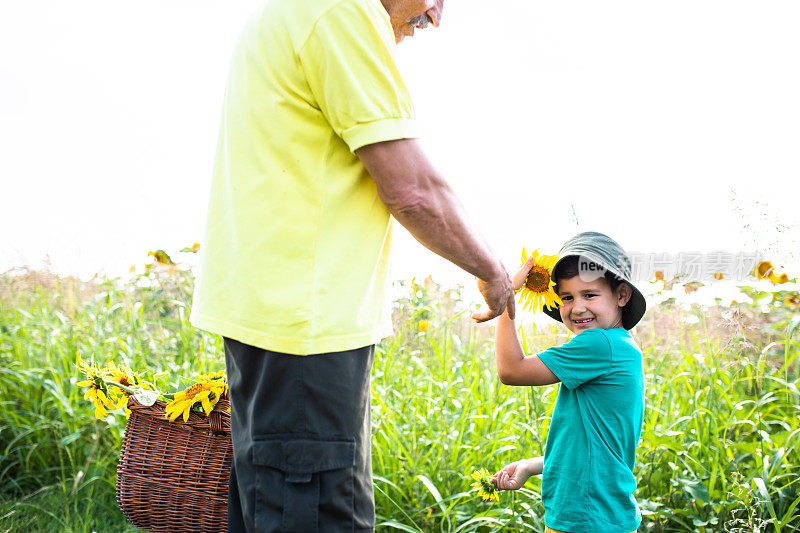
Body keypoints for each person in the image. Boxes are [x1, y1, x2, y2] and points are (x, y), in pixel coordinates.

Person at [189, 0, 515, 530]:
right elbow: (414, 191)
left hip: (278, 318)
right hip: (306, 331)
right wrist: (493, 274)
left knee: (273, 509)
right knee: (316, 515)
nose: (437, 16)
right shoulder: (341, 10)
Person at [490, 232, 647, 533]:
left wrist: (505, 296)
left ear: (622, 295)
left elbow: (511, 370)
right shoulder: (619, 346)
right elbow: (597, 447)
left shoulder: (601, 344)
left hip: (586, 519)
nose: (576, 308)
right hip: (596, 516)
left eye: (589, 295)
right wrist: (533, 465)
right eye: (566, 297)